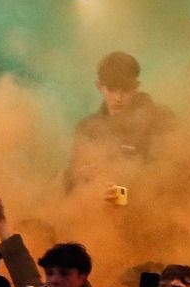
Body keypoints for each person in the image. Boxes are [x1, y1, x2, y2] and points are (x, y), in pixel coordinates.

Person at [64, 50, 176, 190]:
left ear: (136, 86)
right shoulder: (87, 129)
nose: (118, 98)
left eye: (126, 89)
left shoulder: (161, 120)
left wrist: (128, 187)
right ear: (99, 87)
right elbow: (69, 186)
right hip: (98, 209)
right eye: (111, 89)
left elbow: (175, 176)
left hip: (149, 209)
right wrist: (82, 177)